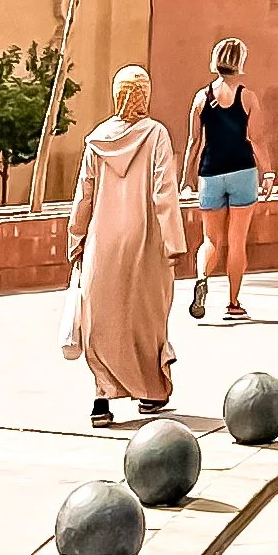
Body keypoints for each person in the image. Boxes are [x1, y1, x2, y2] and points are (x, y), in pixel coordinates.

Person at [66, 65, 186, 425]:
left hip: (102, 242)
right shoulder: (156, 135)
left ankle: (101, 398)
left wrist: (76, 238)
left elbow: (83, 195)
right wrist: (174, 242)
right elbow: (164, 191)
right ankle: (150, 393)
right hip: (145, 240)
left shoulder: (96, 140)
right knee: (145, 318)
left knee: (102, 320)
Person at [182, 38, 275, 322]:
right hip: (243, 172)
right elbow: (256, 139)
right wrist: (268, 172)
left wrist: (186, 179)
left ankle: (201, 277)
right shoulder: (247, 97)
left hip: (210, 172)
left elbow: (194, 142)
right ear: (240, 62)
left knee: (210, 239)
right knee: (237, 241)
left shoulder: (201, 98)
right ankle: (233, 303)